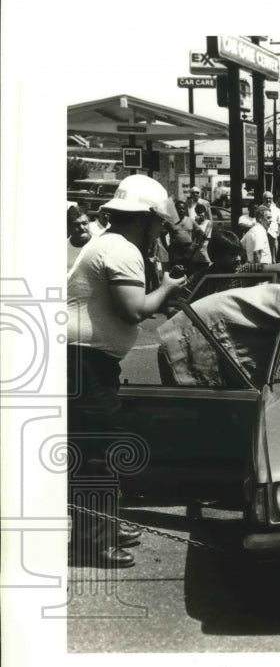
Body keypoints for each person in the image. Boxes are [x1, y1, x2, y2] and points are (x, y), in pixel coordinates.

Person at [66, 174, 188, 568]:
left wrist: (161, 295)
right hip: (85, 362)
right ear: (145, 218)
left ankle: (104, 526)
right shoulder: (121, 250)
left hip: (87, 361)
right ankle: (91, 543)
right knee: (97, 453)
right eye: (158, 224)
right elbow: (134, 309)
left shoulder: (111, 242)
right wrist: (167, 287)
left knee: (99, 449)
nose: (160, 233)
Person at [261, 190, 280, 262]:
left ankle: (273, 265)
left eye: (270, 198)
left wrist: (277, 234)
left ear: (272, 199)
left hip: (273, 236)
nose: (268, 200)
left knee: (273, 257)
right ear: (263, 199)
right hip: (262, 235)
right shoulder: (260, 209)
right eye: (266, 198)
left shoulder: (276, 210)